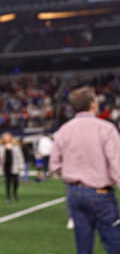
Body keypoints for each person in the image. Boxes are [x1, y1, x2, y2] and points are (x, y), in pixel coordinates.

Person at [50, 86, 120, 254]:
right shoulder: (106, 129)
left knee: (83, 246)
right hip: (100, 193)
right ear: (92, 104)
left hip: (74, 192)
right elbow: (117, 165)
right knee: (114, 243)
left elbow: (54, 165)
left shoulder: (63, 130)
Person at [0, 132, 24, 203]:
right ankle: (8, 196)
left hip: (14, 166)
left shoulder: (15, 147)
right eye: (5, 137)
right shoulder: (1, 147)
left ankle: (15, 193)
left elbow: (20, 157)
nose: (6, 138)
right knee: (8, 182)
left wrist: (21, 166)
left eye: (7, 137)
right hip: (6, 166)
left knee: (15, 181)